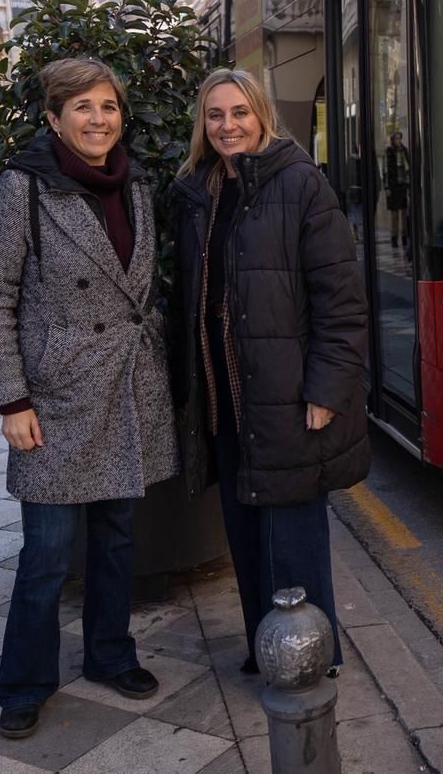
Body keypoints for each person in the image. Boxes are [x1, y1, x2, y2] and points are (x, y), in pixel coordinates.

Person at [0, 57, 179, 740]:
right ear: (54, 118)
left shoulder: (136, 184)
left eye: (109, 106)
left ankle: (109, 654)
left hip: (124, 383)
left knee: (117, 540)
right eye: (82, 107)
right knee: (48, 554)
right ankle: (25, 682)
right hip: (55, 398)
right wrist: (11, 400)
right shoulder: (23, 189)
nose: (98, 120)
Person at [169, 68, 369, 680]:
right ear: (203, 126)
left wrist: (326, 389)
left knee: (293, 534)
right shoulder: (195, 193)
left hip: (286, 394)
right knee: (247, 529)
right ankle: (268, 648)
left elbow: (341, 298)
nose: (228, 125)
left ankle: (309, 661)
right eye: (215, 115)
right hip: (225, 393)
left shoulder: (301, 184)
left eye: (239, 113)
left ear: (261, 116)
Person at [383, 130, 411, 249]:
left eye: (400, 138)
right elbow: (385, 170)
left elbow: (408, 167)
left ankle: (404, 236)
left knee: (404, 212)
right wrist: (387, 187)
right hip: (393, 186)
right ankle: (394, 237)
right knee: (394, 214)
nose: (399, 141)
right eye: (397, 138)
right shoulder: (389, 152)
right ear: (393, 140)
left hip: (402, 185)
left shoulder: (404, 151)